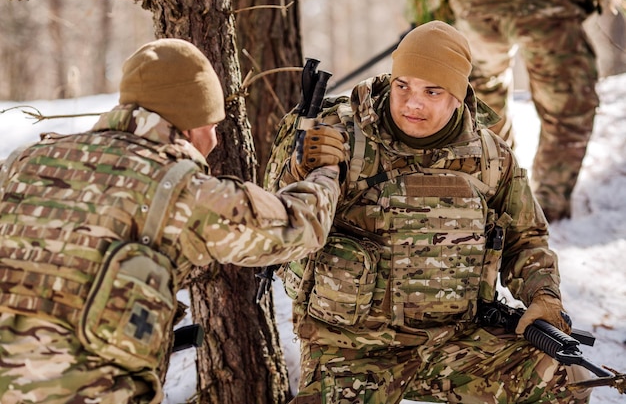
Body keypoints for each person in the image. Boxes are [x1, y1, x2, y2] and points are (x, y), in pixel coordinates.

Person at [0, 38, 347, 404]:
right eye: (213, 124)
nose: (214, 139)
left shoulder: (25, 162)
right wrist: (326, 169)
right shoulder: (184, 191)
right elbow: (300, 226)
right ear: (192, 124)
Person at [265, 21, 592, 404]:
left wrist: (544, 294)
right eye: (403, 85)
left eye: (431, 91)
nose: (412, 102)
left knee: (565, 377)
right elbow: (275, 227)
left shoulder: (490, 157)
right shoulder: (337, 136)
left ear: (457, 95)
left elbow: (526, 238)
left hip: (455, 343)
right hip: (350, 349)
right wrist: (302, 171)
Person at [444, 0, 602, 222]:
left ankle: (496, 188)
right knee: (568, 109)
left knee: (480, 94)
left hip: (477, 3)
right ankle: (547, 207)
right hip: (547, 4)